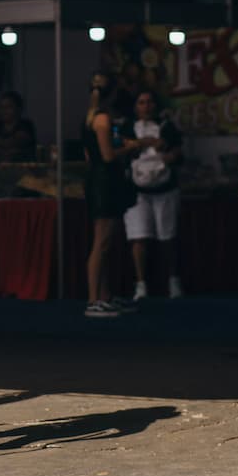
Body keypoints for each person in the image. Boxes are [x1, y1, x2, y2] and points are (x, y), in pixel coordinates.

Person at [81, 72, 142, 317]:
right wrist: (131, 147)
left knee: (106, 243)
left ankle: (104, 295)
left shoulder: (90, 118)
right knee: (102, 242)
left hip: (100, 181)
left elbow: (90, 154)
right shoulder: (102, 119)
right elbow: (107, 155)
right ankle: (93, 300)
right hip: (105, 183)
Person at [122, 90, 184, 299]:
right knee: (138, 237)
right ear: (135, 106)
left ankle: (173, 281)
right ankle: (141, 285)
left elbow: (178, 153)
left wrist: (167, 153)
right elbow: (120, 150)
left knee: (168, 237)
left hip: (164, 190)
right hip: (137, 191)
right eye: (141, 102)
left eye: (149, 102)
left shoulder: (167, 127)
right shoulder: (127, 127)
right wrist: (143, 143)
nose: (146, 106)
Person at [0, 90, 37, 163]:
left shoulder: (25, 125)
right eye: (1, 107)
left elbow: (16, 141)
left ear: (18, 108)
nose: (4, 111)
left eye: (8, 107)